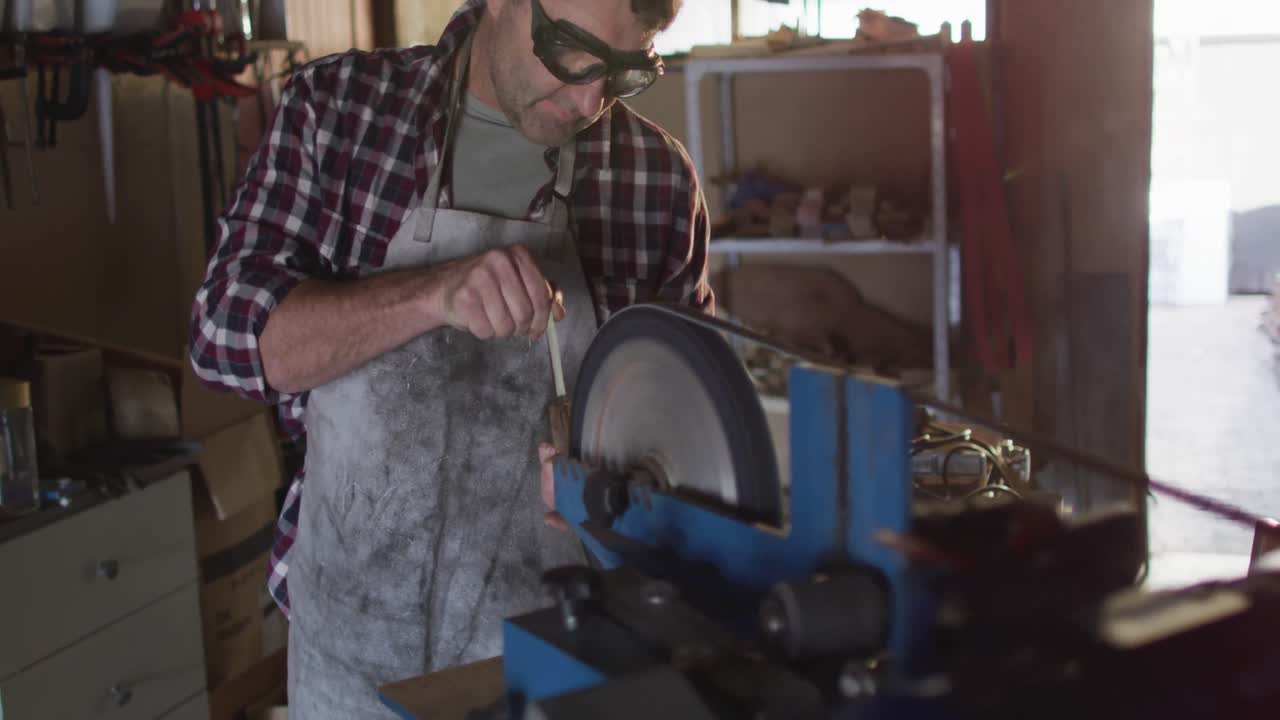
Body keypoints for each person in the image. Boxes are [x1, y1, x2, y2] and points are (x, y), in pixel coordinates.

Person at [189, 0, 713, 716]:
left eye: (625, 72)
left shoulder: (656, 183)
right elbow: (224, 338)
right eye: (571, 54)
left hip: (553, 660)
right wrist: (430, 294)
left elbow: (692, 442)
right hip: (350, 654)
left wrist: (613, 474)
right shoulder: (339, 113)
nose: (589, 101)